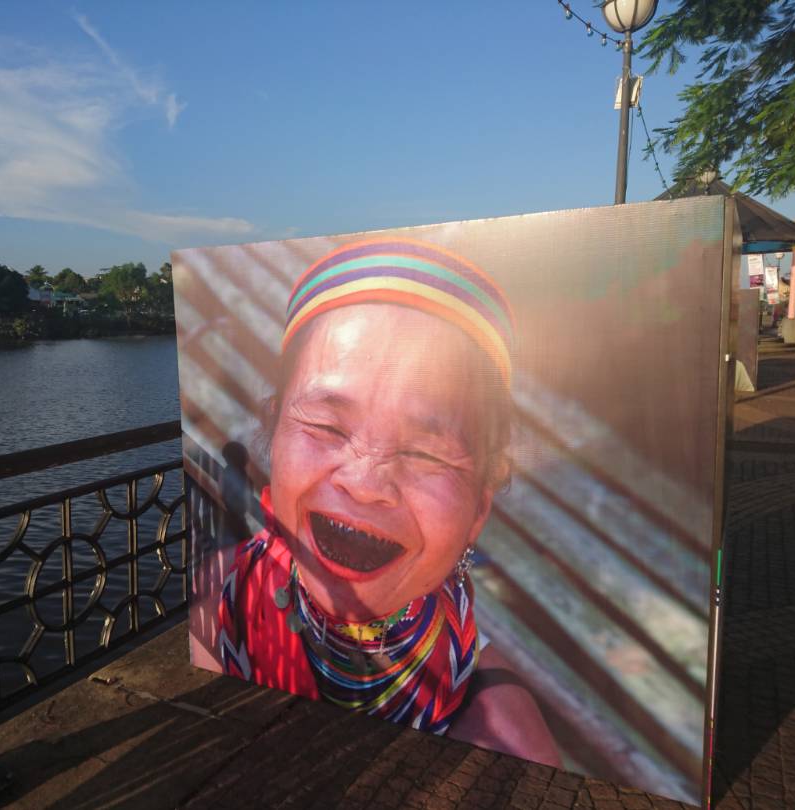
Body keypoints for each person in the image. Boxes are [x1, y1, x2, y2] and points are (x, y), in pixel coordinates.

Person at [215, 238, 561, 765]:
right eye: (328, 426)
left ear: (477, 515)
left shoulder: (501, 738)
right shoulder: (218, 597)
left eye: (427, 453)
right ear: (274, 432)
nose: (365, 481)